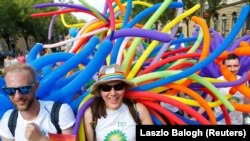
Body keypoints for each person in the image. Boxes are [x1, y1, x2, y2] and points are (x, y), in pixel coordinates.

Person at [0, 63, 75, 141]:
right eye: (10, 90)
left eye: (24, 89)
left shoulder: (60, 112)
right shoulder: (8, 120)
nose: (18, 96)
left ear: (36, 86)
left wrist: (40, 138)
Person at [84, 64, 153, 141]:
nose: (113, 93)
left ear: (125, 88)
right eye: (106, 88)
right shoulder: (91, 114)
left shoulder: (138, 109)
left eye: (118, 87)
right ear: (100, 91)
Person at [214, 53, 249, 125]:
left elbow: (247, 103)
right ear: (224, 67)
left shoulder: (244, 81)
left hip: (238, 122)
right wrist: (196, 117)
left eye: (235, 66)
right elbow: (207, 102)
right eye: (229, 66)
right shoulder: (217, 82)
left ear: (239, 66)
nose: (232, 69)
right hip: (220, 122)